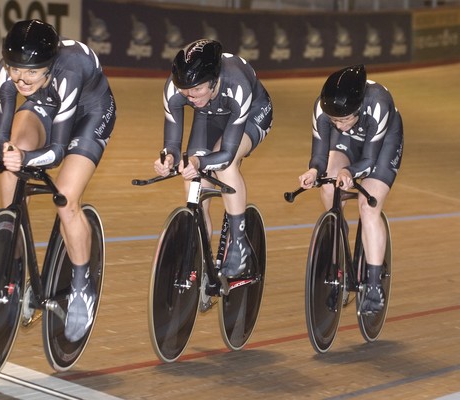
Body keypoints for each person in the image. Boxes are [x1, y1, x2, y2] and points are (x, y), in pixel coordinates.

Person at [0, 19, 116, 341]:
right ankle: (13, 253)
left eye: (32, 72)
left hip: (89, 115)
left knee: (65, 198)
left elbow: (57, 152)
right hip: (45, 105)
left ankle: (82, 286)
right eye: (15, 70)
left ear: (49, 66)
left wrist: (22, 159)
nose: (21, 79)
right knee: (13, 151)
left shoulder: (71, 68)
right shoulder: (10, 73)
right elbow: (1, 134)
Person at [153, 39, 273, 278]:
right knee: (193, 184)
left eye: (197, 89)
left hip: (251, 114)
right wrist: (168, 158)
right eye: (185, 92)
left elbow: (226, 154)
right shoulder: (178, 88)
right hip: (209, 115)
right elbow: (173, 144)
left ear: (214, 80)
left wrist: (198, 162)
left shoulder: (236, 82)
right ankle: (200, 251)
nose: (190, 96)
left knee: (224, 167)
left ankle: (239, 244)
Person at [298, 64, 403, 315]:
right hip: (346, 145)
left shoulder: (378, 103)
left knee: (368, 207)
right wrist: (313, 171)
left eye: (344, 119)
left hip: (380, 147)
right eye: (334, 120)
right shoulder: (324, 110)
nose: (340, 125)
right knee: (327, 185)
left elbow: (368, 161)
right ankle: (339, 235)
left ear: (357, 109)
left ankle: (375, 284)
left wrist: (350, 173)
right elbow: (320, 153)